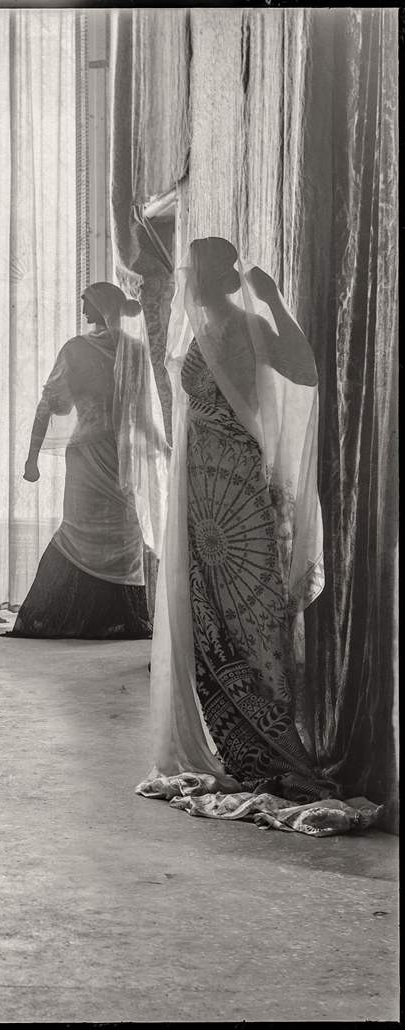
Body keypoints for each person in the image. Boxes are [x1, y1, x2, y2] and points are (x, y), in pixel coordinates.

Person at [138, 238, 376, 835]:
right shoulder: (199, 330)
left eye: (195, 271)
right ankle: (240, 749)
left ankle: (273, 747)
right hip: (201, 498)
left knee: (252, 611)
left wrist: (272, 301)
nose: (187, 280)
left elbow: (306, 371)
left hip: (240, 492)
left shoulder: (248, 326)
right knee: (208, 614)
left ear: (215, 276)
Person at [8, 282, 167, 639]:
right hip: (102, 455)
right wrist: (30, 458)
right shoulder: (124, 349)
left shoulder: (88, 349)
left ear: (102, 305)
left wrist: (163, 448)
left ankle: (105, 617)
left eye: (87, 302)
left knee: (119, 531)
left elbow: (53, 405)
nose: (82, 311)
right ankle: (95, 616)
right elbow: (53, 405)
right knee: (88, 529)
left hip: (103, 453)